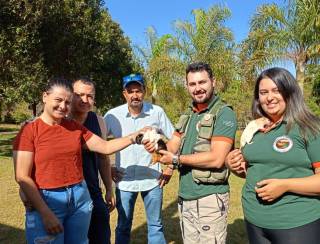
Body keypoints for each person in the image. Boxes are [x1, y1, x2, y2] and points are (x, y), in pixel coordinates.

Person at [13, 78, 144, 244]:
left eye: (67, 102)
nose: (63, 106)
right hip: (48, 200)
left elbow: (105, 147)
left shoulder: (74, 127)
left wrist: (135, 136)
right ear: (45, 96)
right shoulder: (29, 130)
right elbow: (22, 176)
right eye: (58, 100)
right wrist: (45, 213)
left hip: (80, 198)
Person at [144, 62, 237, 244]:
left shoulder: (224, 114)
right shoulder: (188, 115)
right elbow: (171, 148)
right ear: (187, 86)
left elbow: (217, 158)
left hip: (210, 198)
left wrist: (176, 160)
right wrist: (154, 141)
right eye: (192, 84)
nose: (198, 88)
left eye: (202, 82)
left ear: (213, 82)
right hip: (186, 197)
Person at [226, 67, 320, 244]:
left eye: (276, 90)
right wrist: (234, 165)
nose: (269, 97)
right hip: (255, 222)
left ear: (290, 92)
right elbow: (254, 171)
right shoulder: (256, 129)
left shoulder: (309, 127)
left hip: (296, 224)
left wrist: (285, 185)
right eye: (263, 92)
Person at [104, 73, 174, 244]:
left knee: (155, 226)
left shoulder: (157, 112)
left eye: (138, 90)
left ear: (144, 91)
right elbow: (99, 144)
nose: (135, 95)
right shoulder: (113, 115)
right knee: (123, 226)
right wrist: (109, 168)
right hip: (125, 181)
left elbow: (174, 139)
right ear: (124, 94)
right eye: (131, 91)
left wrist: (170, 167)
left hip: (153, 180)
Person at [70, 78, 115, 244]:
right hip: (66, 194)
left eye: (90, 96)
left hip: (93, 192)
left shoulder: (99, 121)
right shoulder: (60, 120)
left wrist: (109, 189)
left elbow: (103, 158)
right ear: (71, 95)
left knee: (101, 238)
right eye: (79, 95)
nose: (85, 100)